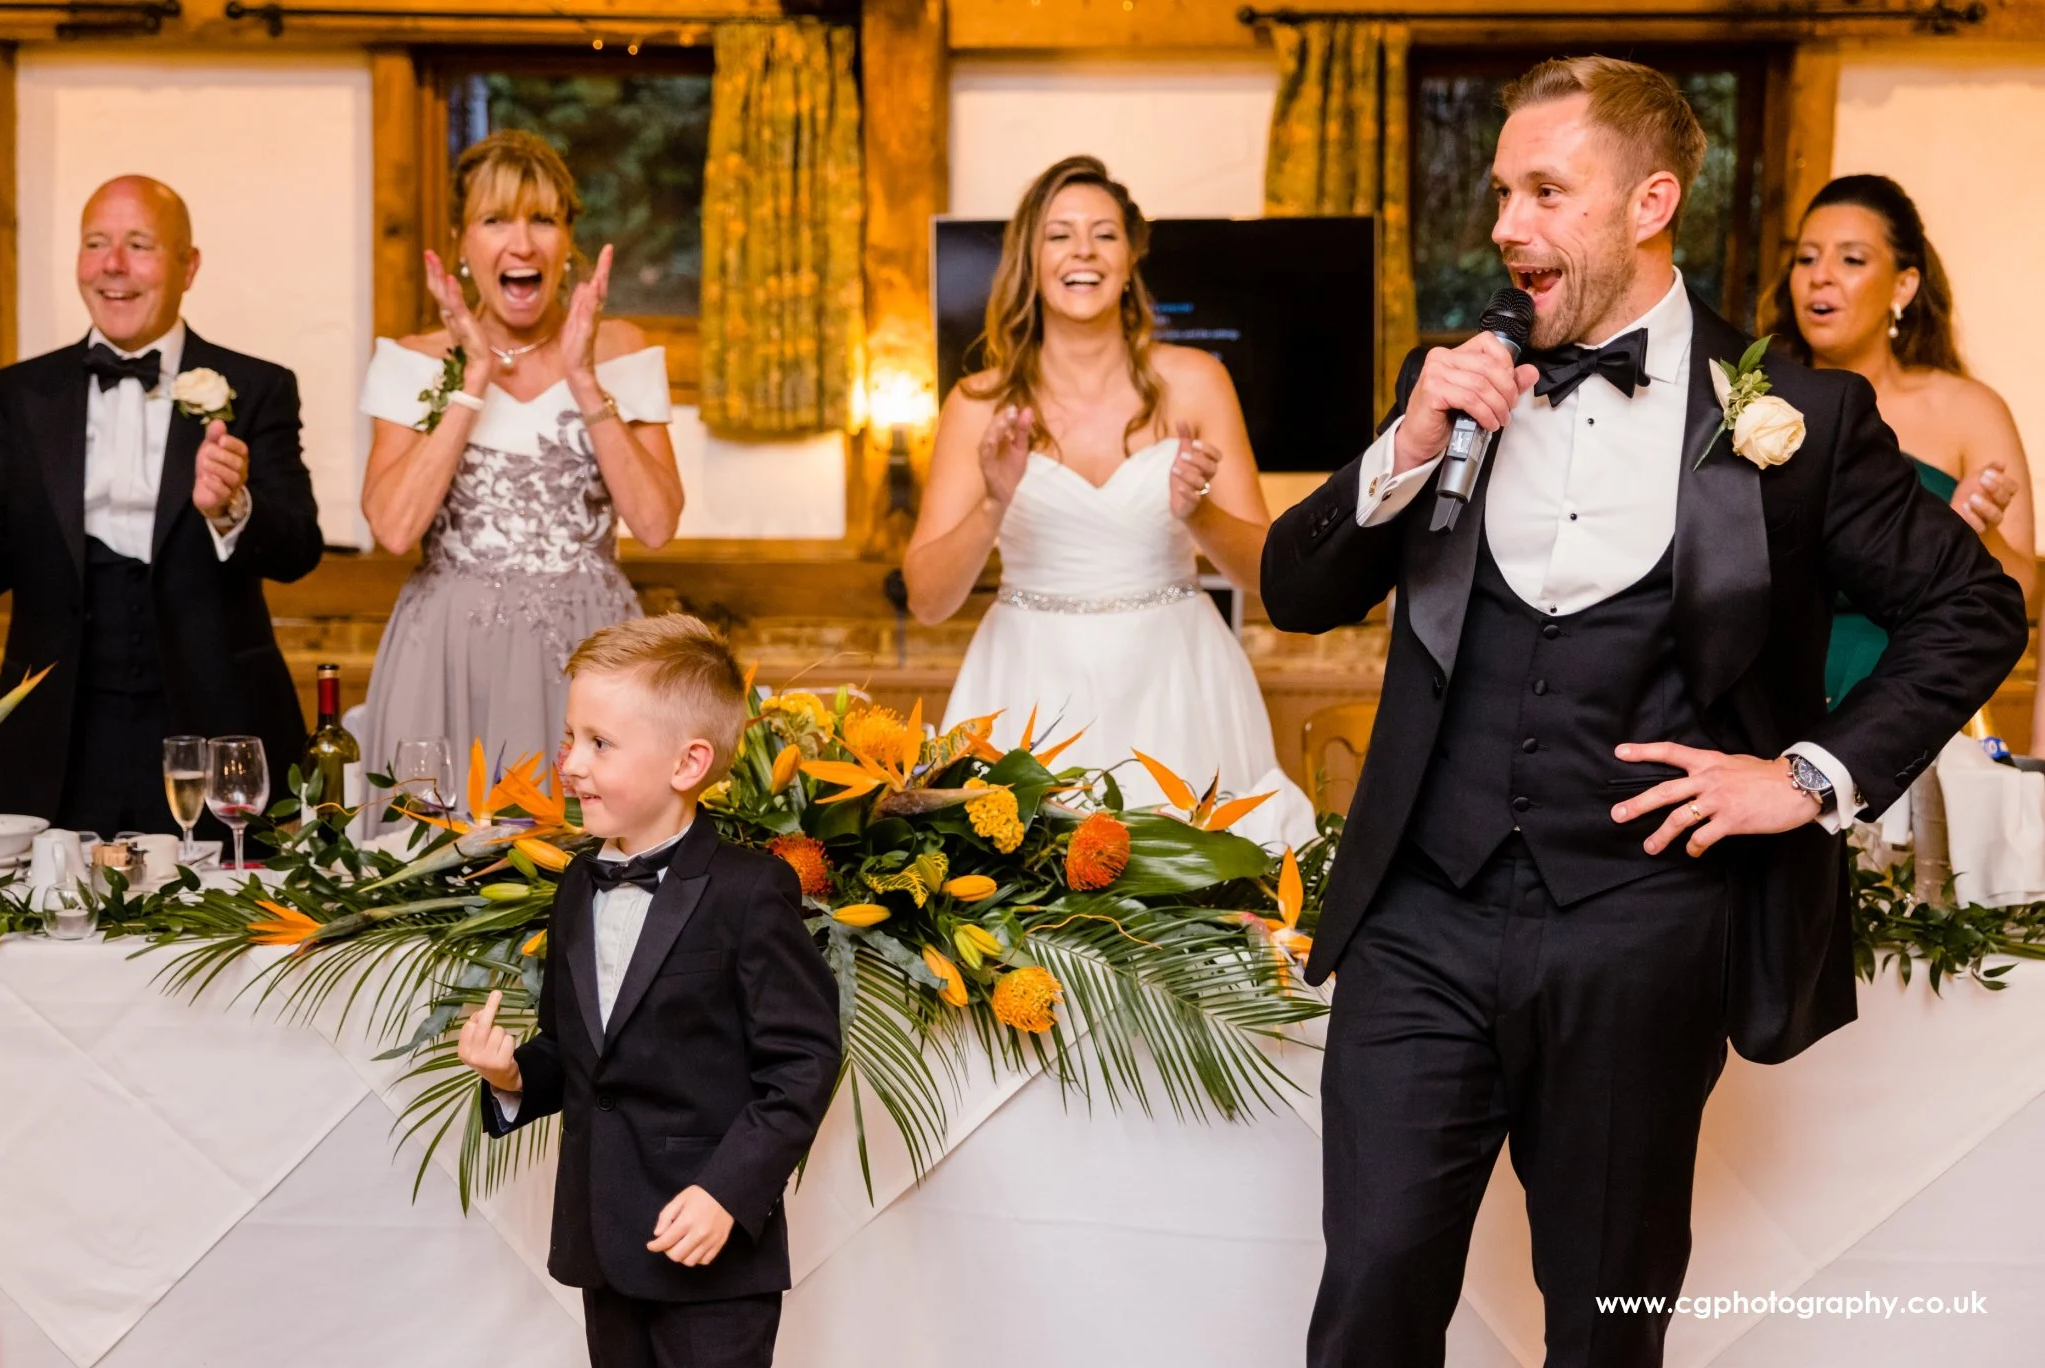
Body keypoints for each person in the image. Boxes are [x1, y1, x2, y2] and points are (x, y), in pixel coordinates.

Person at [1261, 58, 2026, 1367]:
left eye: (1546, 191)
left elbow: (1974, 611)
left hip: (1641, 928)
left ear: (1650, 201)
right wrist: (1400, 445)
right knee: (1372, 1291)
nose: (1507, 226)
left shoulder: (1787, 412)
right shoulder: (1456, 378)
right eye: (1503, 192)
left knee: (1606, 1316)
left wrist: (1807, 775)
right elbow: (1297, 585)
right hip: (1421, 921)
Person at [458, 613, 839, 1368]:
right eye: (572, 738)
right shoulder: (575, 885)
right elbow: (574, 1055)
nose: (571, 763)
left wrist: (728, 1193)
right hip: (605, 1241)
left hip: (711, 1246)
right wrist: (510, 1077)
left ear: (688, 762)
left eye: (600, 744)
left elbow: (803, 1062)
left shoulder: (750, 888)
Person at [905, 155, 1315, 849]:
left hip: (1177, 680)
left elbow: (1264, 576)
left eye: (1103, 234)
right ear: (1030, 260)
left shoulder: (1197, 381)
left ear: (1131, 257)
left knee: (1197, 907)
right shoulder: (978, 402)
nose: (1083, 252)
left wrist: (1200, 512)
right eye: (1059, 234)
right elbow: (927, 598)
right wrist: (993, 506)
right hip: (1027, 683)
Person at [354, 130, 682, 794]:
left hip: (592, 651)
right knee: (432, 875)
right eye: (496, 219)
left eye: (543, 219)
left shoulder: (623, 349)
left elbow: (655, 524)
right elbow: (392, 528)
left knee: (587, 860)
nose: (522, 242)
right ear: (462, 242)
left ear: (569, 243)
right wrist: (471, 379)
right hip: (447, 654)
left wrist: (584, 379)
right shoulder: (411, 360)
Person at [0, 175, 322, 835]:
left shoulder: (258, 387)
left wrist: (233, 506)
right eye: (96, 243)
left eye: (139, 244)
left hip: (213, 729)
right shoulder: (15, 396)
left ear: (188, 266)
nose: (113, 265)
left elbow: (298, 550)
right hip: (52, 740)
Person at [1771, 173, 2036, 709]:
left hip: (1904, 700)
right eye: (1806, 258)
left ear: (1903, 286)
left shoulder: (1967, 410)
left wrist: (1973, 536)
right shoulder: (1757, 402)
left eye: (1851, 260)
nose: (1821, 277)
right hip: (1765, 692)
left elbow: (2023, 587)